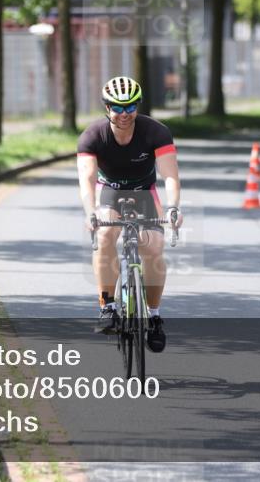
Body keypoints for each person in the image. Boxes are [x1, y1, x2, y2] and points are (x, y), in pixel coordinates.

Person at [77, 76, 183, 353]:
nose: (124, 114)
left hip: (144, 192)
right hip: (110, 191)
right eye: (117, 108)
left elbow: (170, 175)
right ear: (107, 107)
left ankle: (155, 316)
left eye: (130, 107)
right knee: (105, 235)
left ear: (138, 106)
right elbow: (87, 179)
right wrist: (90, 212)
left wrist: (173, 207)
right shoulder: (93, 136)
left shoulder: (156, 132)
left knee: (154, 247)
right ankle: (107, 306)